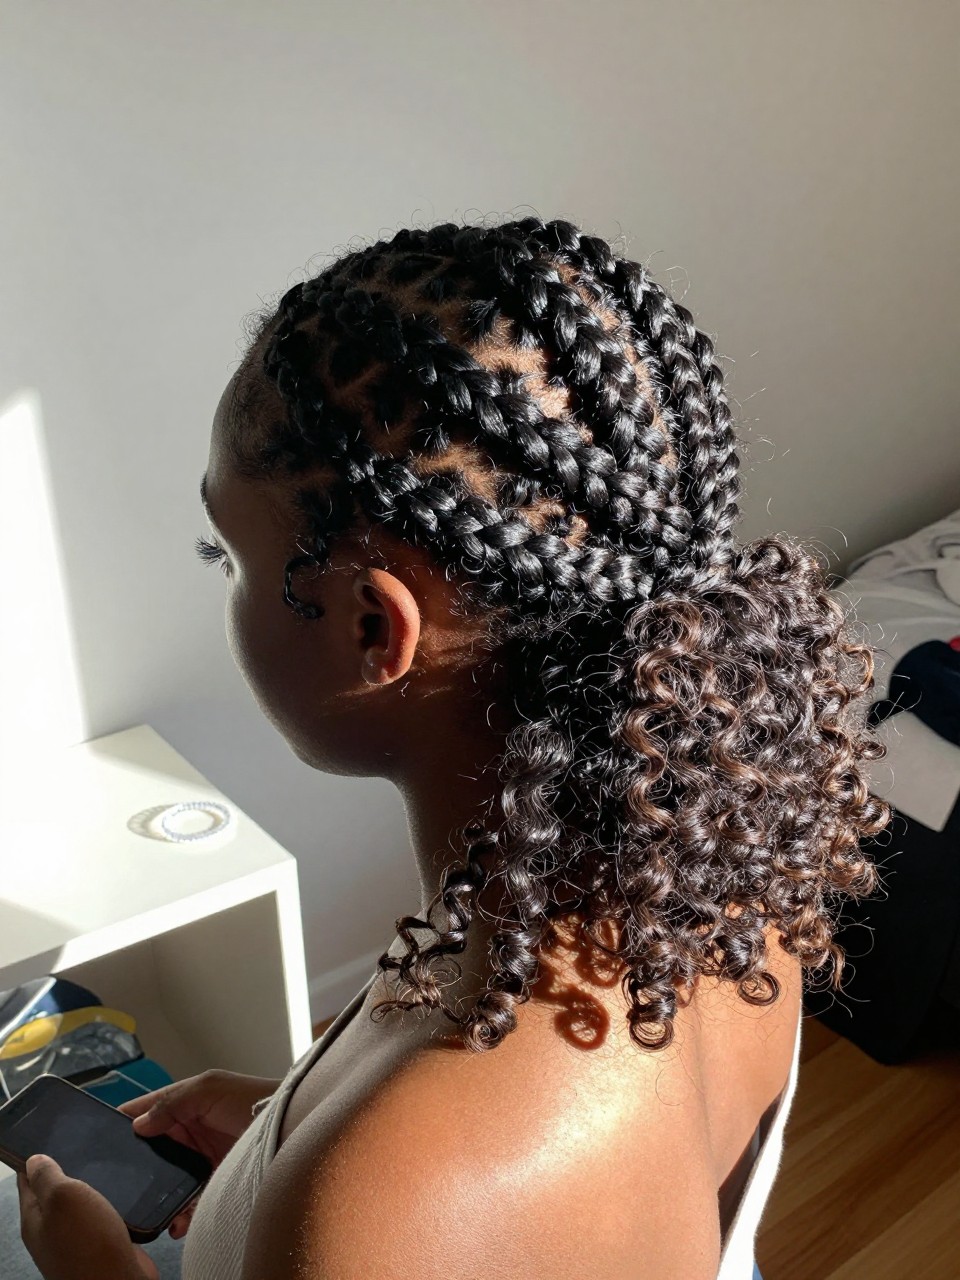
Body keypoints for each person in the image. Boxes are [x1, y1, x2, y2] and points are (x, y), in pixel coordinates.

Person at [16, 216, 892, 1280]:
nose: (227, 587)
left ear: (374, 629)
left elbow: (441, 1193)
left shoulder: (364, 1215)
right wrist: (280, 1124)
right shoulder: (720, 881)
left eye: (226, 552)